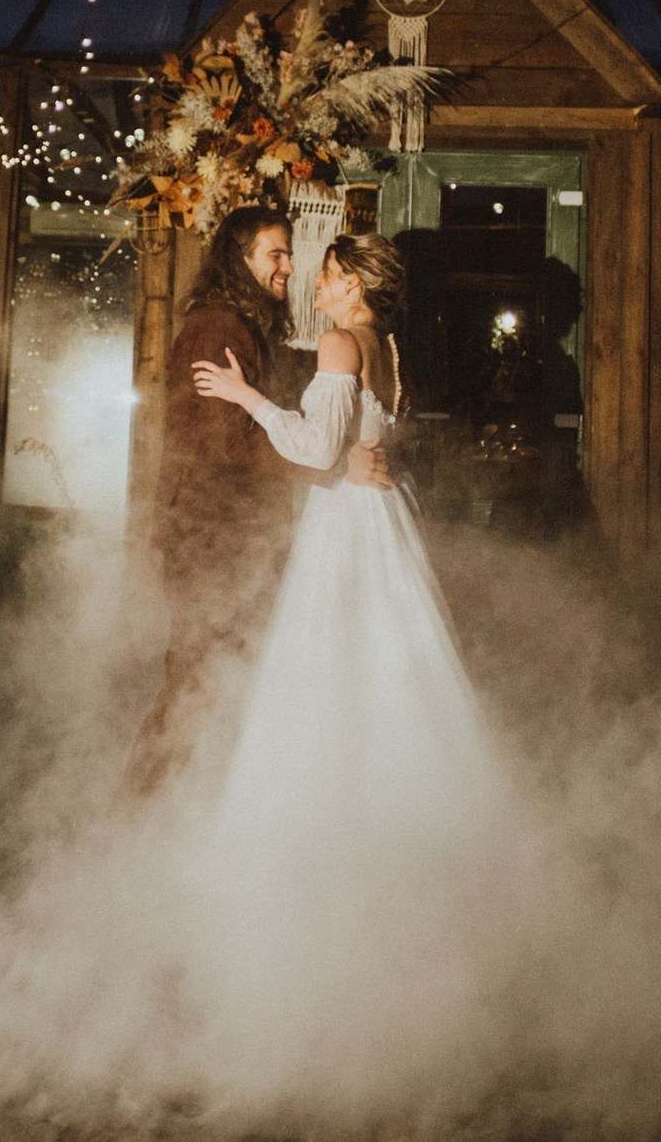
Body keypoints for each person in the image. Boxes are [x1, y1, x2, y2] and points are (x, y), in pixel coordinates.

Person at [183, 230, 513, 1089]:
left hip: (347, 533)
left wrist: (248, 395)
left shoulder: (340, 340)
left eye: (328, 276)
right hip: (386, 522)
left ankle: (314, 887)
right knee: (388, 686)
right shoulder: (387, 346)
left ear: (357, 284)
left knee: (327, 683)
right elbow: (373, 442)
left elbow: (315, 451)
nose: (317, 288)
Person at [121, 206, 389, 800]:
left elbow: (280, 393)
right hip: (209, 540)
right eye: (277, 254)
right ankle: (135, 814)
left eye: (291, 255)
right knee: (195, 684)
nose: (290, 267)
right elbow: (224, 442)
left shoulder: (244, 326)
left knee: (230, 681)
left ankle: (197, 811)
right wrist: (334, 466)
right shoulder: (216, 327)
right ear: (238, 260)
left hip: (235, 540)